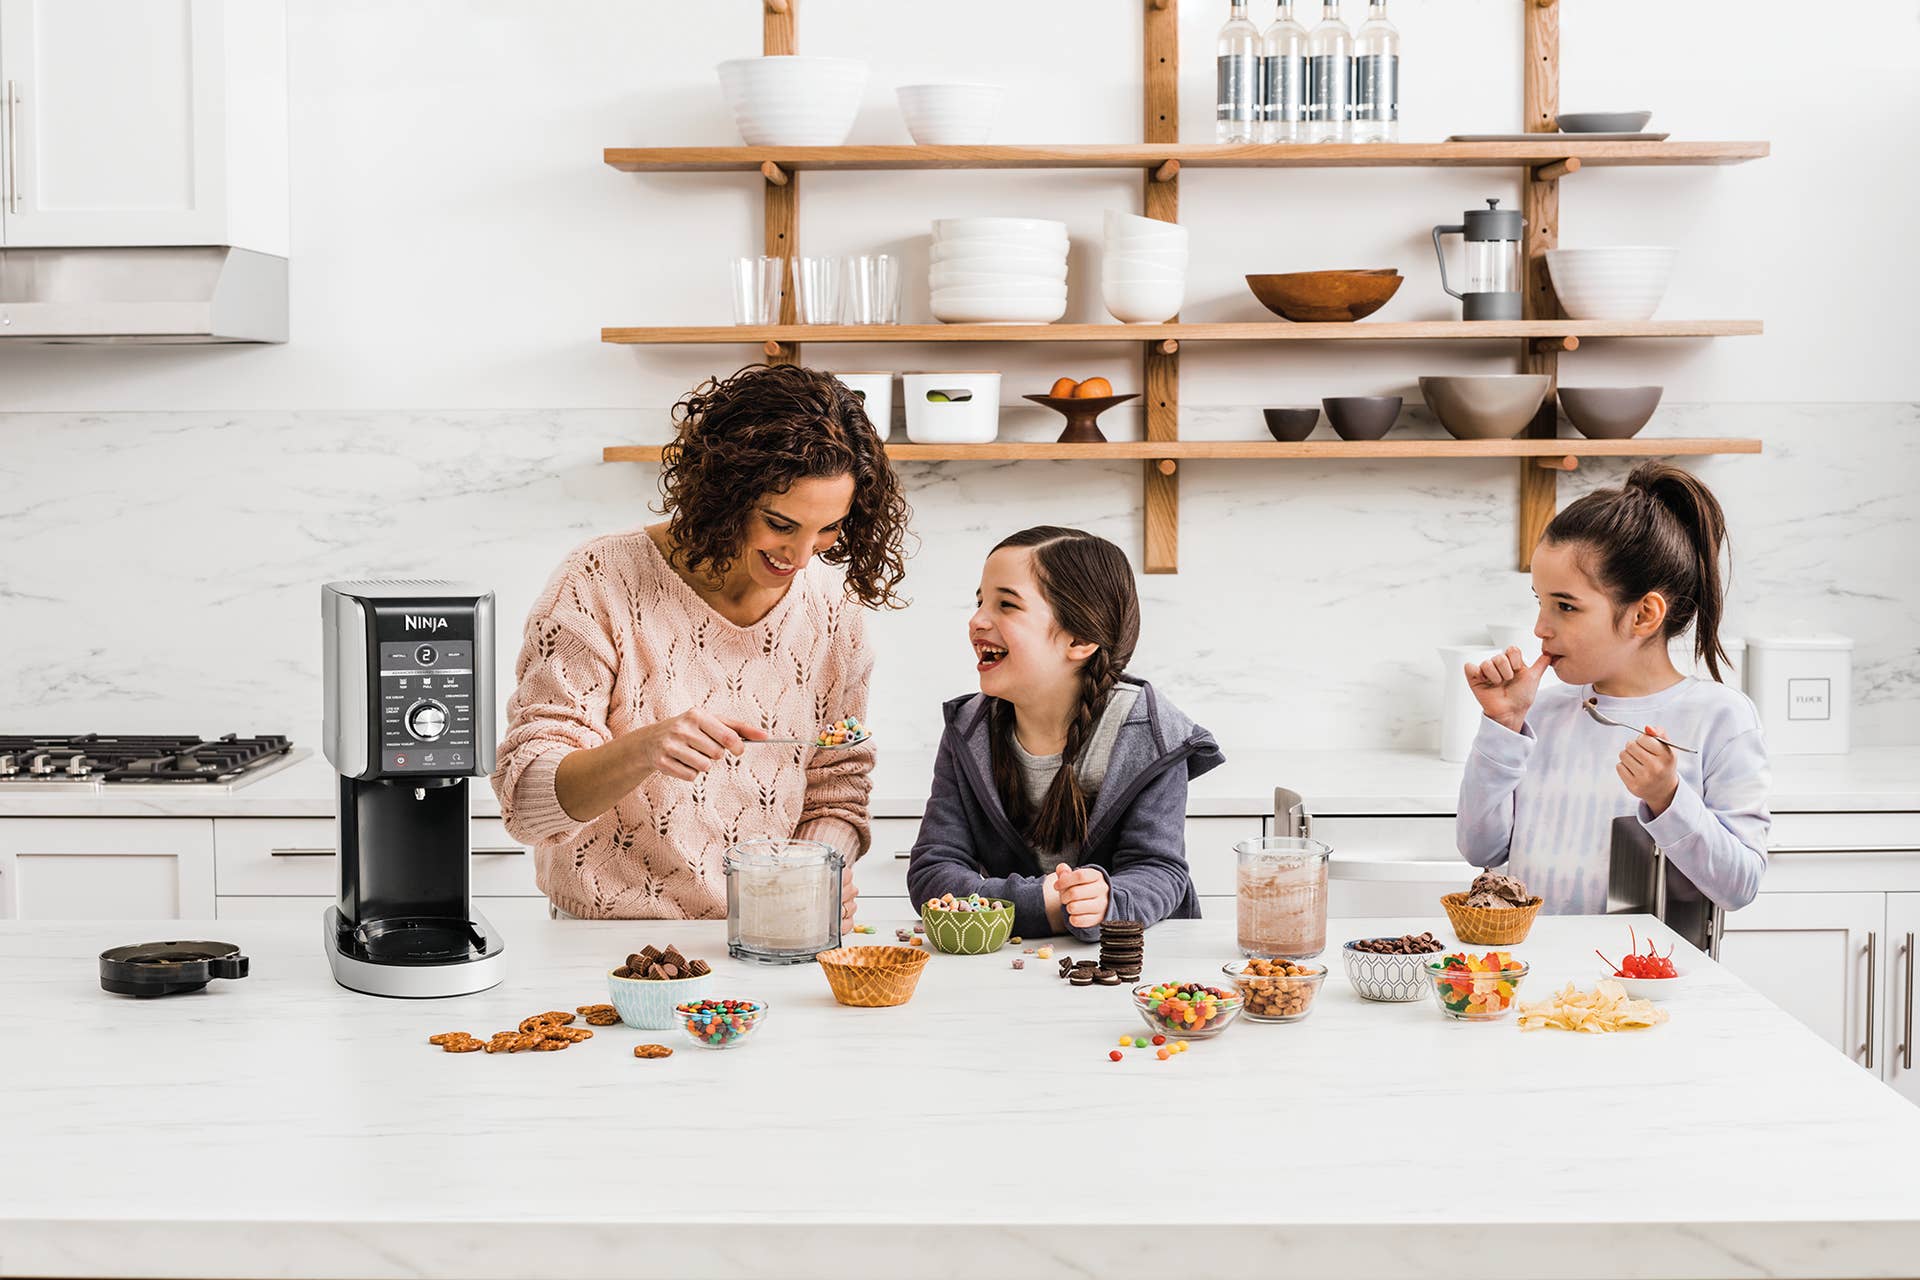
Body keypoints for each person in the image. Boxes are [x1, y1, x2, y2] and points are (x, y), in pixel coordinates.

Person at [492, 364, 910, 922]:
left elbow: (836, 789)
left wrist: (814, 872)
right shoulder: (598, 581)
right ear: (725, 493)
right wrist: (643, 750)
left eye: (829, 528)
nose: (803, 555)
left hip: (770, 935)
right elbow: (528, 807)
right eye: (780, 523)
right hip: (607, 943)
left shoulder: (833, 613)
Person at [1456, 462, 1770, 914]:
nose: (1541, 628)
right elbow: (1480, 851)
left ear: (1643, 615)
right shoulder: (1539, 715)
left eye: (1566, 606)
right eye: (1540, 602)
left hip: (1653, 982)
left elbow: (1739, 886)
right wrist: (1501, 728)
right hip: (1544, 978)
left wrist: (1667, 797)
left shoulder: (1720, 718)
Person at [908, 526, 1223, 941]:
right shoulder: (968, 729)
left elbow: (1160, 872)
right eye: (980, 601)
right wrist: (1043, 906)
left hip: (1136, 966)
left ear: (1079, 639)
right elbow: (934, 870)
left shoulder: (1151, 733)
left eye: (1006, 604)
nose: (977, 620)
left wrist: (1109, 901)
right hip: (1012, 970)